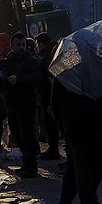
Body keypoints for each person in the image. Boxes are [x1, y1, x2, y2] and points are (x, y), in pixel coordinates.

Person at [2, 32, 41, 178]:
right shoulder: (9, 61)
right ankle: (26, 164)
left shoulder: (31, 61)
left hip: (27, 103)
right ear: (12, 46)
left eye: (23, 44)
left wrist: (19, 79)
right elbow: (3, 76)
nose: (21, 47)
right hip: (12, 103)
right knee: (18, 134)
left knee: (28, 136)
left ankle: (31, 167)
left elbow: (37, 77)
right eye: (18, 45)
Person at [34, 32, 60, 160]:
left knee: (50, 123)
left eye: (37, 44)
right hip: (53, 93)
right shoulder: (55, 53)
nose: (36, 47)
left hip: (48, 94)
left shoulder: (45, 58)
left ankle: (53, 149)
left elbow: (43, 77)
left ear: (41, 44)